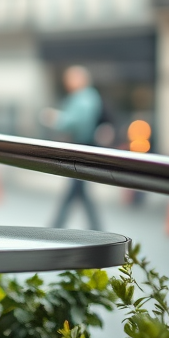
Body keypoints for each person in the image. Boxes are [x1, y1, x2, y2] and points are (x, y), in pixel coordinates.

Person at [40, 65, 104, 230]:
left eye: (70, 79)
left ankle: (57, 226)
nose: (67, 83)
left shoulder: (84, 98)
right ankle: (94, 227)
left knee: (76, 189)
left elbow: (75, 122)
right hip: (81, 148)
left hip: (82, 148)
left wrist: (55, 119)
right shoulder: (86, 97)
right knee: (79, 190)